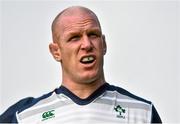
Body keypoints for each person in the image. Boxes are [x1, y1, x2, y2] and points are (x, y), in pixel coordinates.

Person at [0, 6, 162, 123]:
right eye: (74, 37)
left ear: (104, 44)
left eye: (93, 34)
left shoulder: (142, 113)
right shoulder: (25, 117)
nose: (86, 44)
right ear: (56, 51)